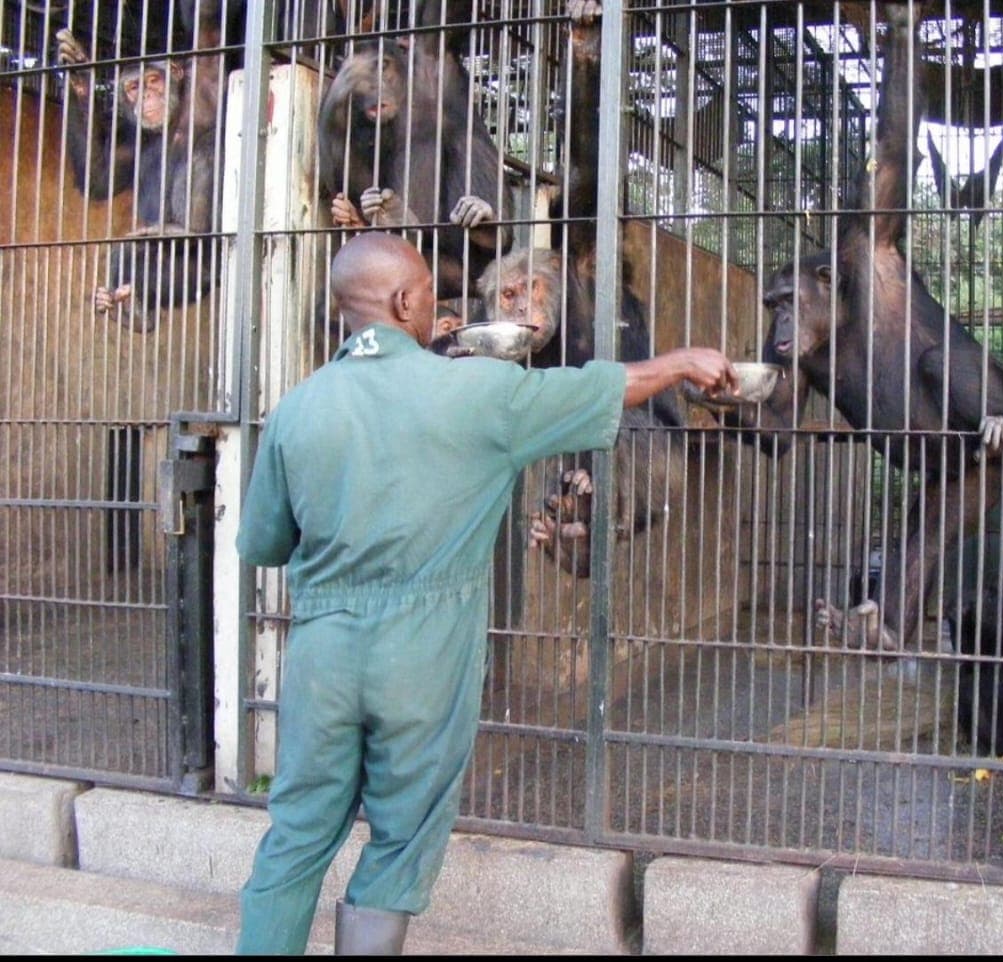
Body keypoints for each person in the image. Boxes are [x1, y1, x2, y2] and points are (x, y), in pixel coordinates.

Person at [234, 231, 738, 955]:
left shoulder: (296, 409)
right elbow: (606, 387)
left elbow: (262, 546)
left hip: (322, 650)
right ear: (406, 302)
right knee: (401, 838)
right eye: (430, 300)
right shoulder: (480, 392)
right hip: (425, 655)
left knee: (297, 833)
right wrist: (680, 362)